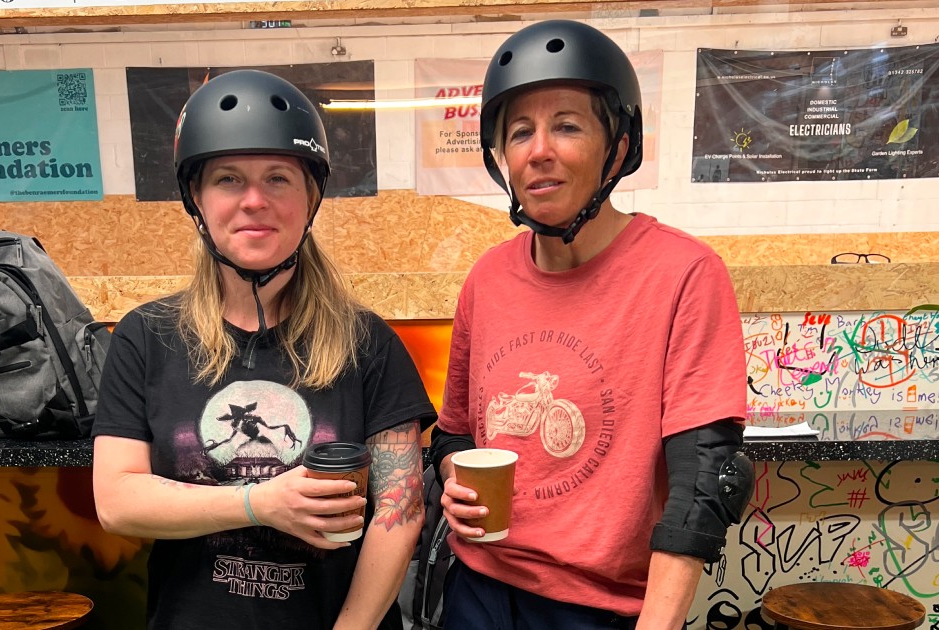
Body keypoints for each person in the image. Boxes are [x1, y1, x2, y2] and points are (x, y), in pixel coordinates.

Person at [429, 20, 753, 629]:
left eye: (567, 125)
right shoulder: (487, 278)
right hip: (477, 592)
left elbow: (705, 480)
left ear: (619, 147)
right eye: (520, 131)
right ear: (501, 159)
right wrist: (455, 481)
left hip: (601, 608)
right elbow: (453, 437)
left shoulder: (684, 273)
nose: (539, 149)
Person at [92, 69, 436, 630]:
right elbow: (117, 502)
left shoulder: (369, 343)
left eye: (278, 178)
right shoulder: (145, 337)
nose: (254, 201)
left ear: (311, 198)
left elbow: (401, 513)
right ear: (196, 199)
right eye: (229, 179)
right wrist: (259, 502)